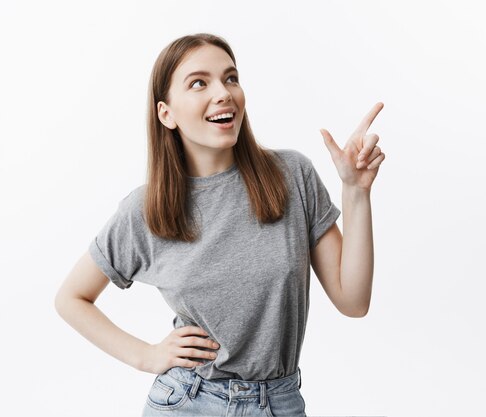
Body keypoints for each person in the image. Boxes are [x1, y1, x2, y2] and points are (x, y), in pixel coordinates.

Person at [54, 33, 385, 417]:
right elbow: (71, 299)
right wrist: (146, 355)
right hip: (187, 401)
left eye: (231, 78)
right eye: (199, 83)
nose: (224, 93)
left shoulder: (291, 176)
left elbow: (354, 301)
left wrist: (355, 191)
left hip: (279, 402)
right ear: (167, 113)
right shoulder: (147, 209)